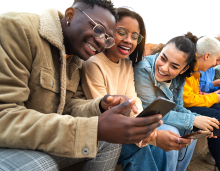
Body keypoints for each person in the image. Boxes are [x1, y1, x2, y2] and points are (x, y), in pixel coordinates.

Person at [0, 1, 163, 171]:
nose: (101, 42)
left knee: (109, 142)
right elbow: (3, 115)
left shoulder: (75, 58)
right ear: (70, 15)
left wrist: (100, 105)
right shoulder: (18, 29)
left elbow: (69, 105)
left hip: (41, 136)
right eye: (98, 30)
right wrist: (94, 128)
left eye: (107, 39)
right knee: (42, 165)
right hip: (10, 141)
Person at [81, 7, 192, 171]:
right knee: (141, 149)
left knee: (158, 147)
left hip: (125, 127)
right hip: (103, 132)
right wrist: (153, 136)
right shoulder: (94, 63)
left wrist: (149, 129)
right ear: (109, 30)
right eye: (122, 32)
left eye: (134, 36)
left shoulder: (126, 64)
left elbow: (134, 101)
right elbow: (106, 114)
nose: (129, 40)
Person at [134, 32, 219, 171]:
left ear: (184, 69)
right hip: (146, 120)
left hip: (162, 118)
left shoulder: (181, 77)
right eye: (163, 58)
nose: (164, 68)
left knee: (191, 132)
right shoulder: (144, 69)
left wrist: (203, 121)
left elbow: (178, 107)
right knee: (172, 132)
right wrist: (193, 120)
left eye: (174, 66)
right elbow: (149, 111)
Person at [183, 36, 220, 170]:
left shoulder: (197, 70)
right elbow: (187, 100)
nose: (216, 63)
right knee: (217, 118)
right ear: (207, 55)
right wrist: (215, 97)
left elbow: (195, 95)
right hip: (182, 108)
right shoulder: (189, 67)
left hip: (189, 104)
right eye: (216, 59)